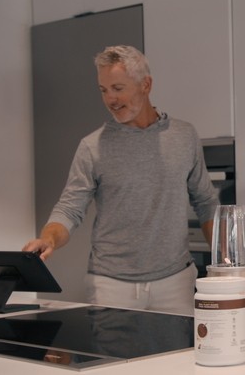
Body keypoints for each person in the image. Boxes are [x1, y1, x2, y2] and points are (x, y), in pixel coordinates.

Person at [23, 45, 219, 316]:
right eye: (103, 90)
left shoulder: (184, 136)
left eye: (118, 88)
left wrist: (225, 262)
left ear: (146, 84)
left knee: (179, 358)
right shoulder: (92, 146)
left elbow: (206, 201)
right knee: (113, 359)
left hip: (176, 281)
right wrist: (48, 239)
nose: (110, 99)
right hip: (111, 286)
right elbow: (69, 208)